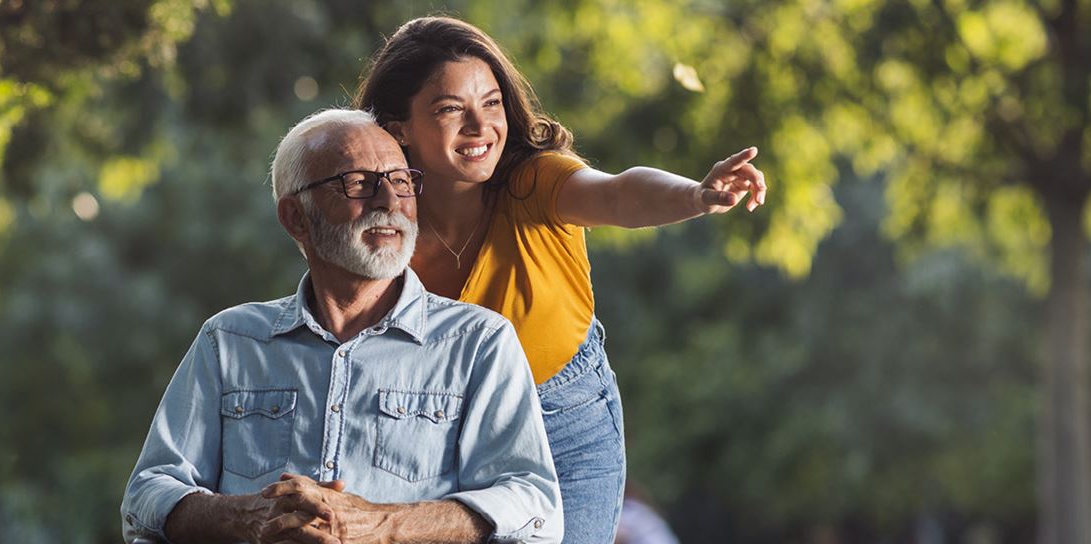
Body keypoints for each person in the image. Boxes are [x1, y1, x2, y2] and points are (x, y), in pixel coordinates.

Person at [354, 16, 768, 542]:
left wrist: (696, 195)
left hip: (564, 423)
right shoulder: (381, 229)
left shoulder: (535, 183)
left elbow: (618, 193)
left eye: (491, 103)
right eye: (450, 109)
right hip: (443, 428)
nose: (480, 127)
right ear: (397, 129)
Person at [119, 108, 562, 544]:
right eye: (358, 184)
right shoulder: (230, 340)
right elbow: (147, 496)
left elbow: (533, 505)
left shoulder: (478, 342)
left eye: (401, 181)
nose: (389, 202)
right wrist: (247, 516)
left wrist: (381, 525)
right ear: (295, 217)